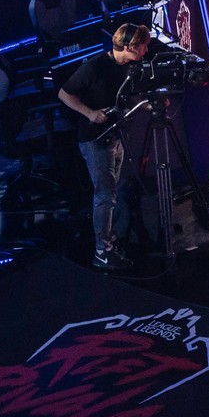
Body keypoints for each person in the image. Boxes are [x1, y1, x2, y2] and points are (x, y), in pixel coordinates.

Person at [57, 21, 152, 270]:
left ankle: (110, 242)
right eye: (142, 46)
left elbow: (127, 94)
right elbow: (64, 94)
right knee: (105, 196)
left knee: (112, 194)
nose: (145, 50)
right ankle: (102, 252)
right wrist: (89, 113)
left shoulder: (127, 67)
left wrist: (148, 104)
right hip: (95, 140)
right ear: (129, 47)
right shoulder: (94, 67)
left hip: (114, 136)